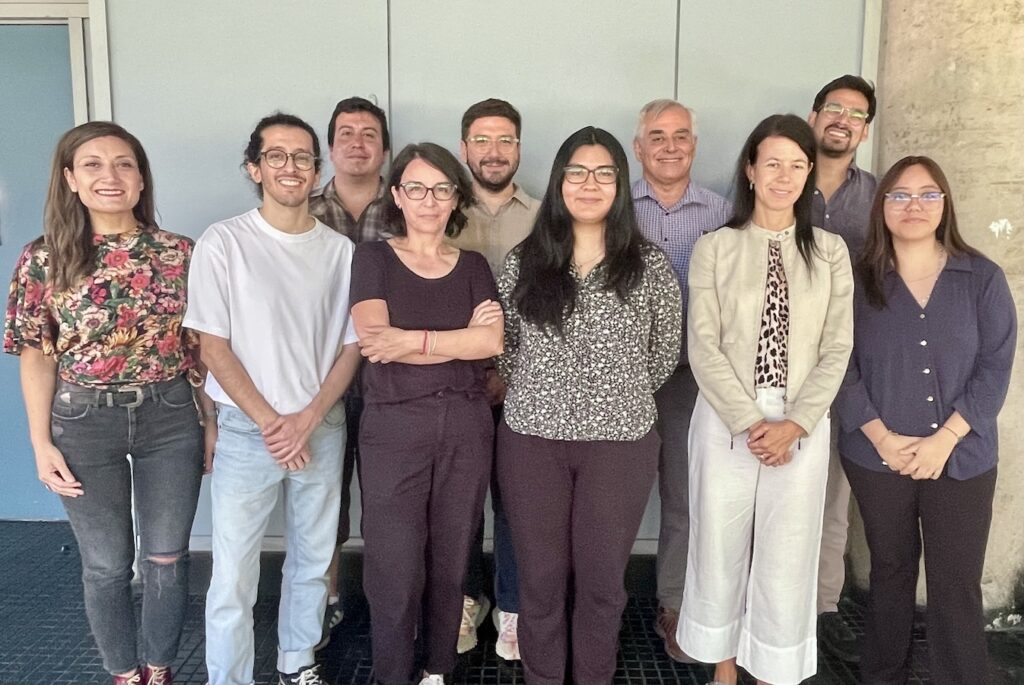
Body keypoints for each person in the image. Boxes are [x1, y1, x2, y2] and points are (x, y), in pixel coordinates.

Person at [4, 121, 210, 685]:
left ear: (141, 179)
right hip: (81, 421)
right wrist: (40, 441)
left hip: (170, 418)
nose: (110, 176)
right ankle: (124, 673)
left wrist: (209, 421)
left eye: (124, 163)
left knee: (167, 559)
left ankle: (160, 669)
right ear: (70, 179)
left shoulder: (179, 254)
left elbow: (200, 351)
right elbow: (37, 354)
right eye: (92, 165)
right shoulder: (43, 260)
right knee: (106, 565)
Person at [496, 126, 681, 684]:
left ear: (621, 186)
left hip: (619, 446)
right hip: (532, 441)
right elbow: (504, 354)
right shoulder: (522, 263)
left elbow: (665, 351)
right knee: (541, 579)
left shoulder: (649, 267)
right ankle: (545, 677)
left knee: (602, 582)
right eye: (577, 172)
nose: (590, 184)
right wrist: (546, 393)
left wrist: (614, 396)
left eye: (605, 173)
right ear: (558, 183)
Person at [678, 114, 853, 685]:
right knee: (720, 547)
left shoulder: (830, 252)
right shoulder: (716, 247)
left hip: (803, 421)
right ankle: (724, 671)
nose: (784, 175)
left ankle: (774, 670)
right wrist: (752, 420)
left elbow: (838, 346)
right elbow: (703, 346)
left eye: (797, 165)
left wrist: (796, 422)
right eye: (771, 162)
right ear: (750, 170)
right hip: (728, 417)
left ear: (809, 175)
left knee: (787, 557)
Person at [186, 112, 361, 685]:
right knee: (233, 572)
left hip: (321, 425)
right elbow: (212, 346)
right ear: (254, 167)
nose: (292, 167)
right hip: (246, 430)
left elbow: (351, 348)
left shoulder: (341, 252)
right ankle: (227, 677)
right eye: (278, 156)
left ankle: (296, 662)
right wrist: (272, 425)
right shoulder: (224, 242)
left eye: (304, 157)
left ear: (318, 169)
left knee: (313, 559)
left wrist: (306, 420)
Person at [835, 156, 1016, 685]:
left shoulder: (979, 277)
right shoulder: (854, 279)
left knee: (955, 580)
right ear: (881, 206)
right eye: (899, 195)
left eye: (927, 194)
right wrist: (883, 438)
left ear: (945, 204)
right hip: (875, 455)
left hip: (962, 458)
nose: (913, 205)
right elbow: (836, 363)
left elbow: (995, 365)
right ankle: (883, 675)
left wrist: (945, 440)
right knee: (889, 573)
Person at [350, 142, 503, 685]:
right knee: (393, 563)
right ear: (397, 196)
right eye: (416, 188)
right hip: (394, 425)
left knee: (452, 553)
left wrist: (411, 340)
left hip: (465, 424)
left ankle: (438, 668)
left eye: (441, 189)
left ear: (455, 197)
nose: (429, 200)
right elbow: (373, 341)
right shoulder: (374, 258)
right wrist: (457, 339)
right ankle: (392, 673)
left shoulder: (474, 266)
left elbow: (490, 342)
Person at [631, 98, 731, 663]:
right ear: (638, 147)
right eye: (657, 136)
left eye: (681, 136)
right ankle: (599, 602)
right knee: (606, 498)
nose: (670, 146)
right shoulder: (613, 209)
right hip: (619, 378)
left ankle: (674, 603)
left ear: (695, 144)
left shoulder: (721, 214)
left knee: (684, 497)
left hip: (695, 378)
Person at [450, 97, 540, 660]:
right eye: (482, 140)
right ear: (464, 148)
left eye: (505, 140)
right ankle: (463, 598)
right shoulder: (440, 209)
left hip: (527, 386)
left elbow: (554, 308)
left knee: (517, 501)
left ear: (519, 149)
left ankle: (513, 607)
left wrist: (509, 372)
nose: (493, 151)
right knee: (457, 499)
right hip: (452, 383)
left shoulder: (543, 215)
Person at [309, 95, 392, 647]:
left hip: (393, 383)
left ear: (384, 147)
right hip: (321, 382)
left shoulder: (412, 205)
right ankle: (325, 602)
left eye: (369, 133)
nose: (357, 143)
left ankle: (395, 606)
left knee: (391, 505)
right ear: (330, 147)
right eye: (346, 133)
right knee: (323, 501)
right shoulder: (304, 211)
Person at [806, 74, 879, 662]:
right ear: (814, 115)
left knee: (832, 498)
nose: (842, 119)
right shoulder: (779, 179)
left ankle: (822, 610)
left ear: (864, 129)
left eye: (855, 114)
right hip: (776, 369)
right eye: (833, 107)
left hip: (850, 371)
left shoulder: (878, 198)